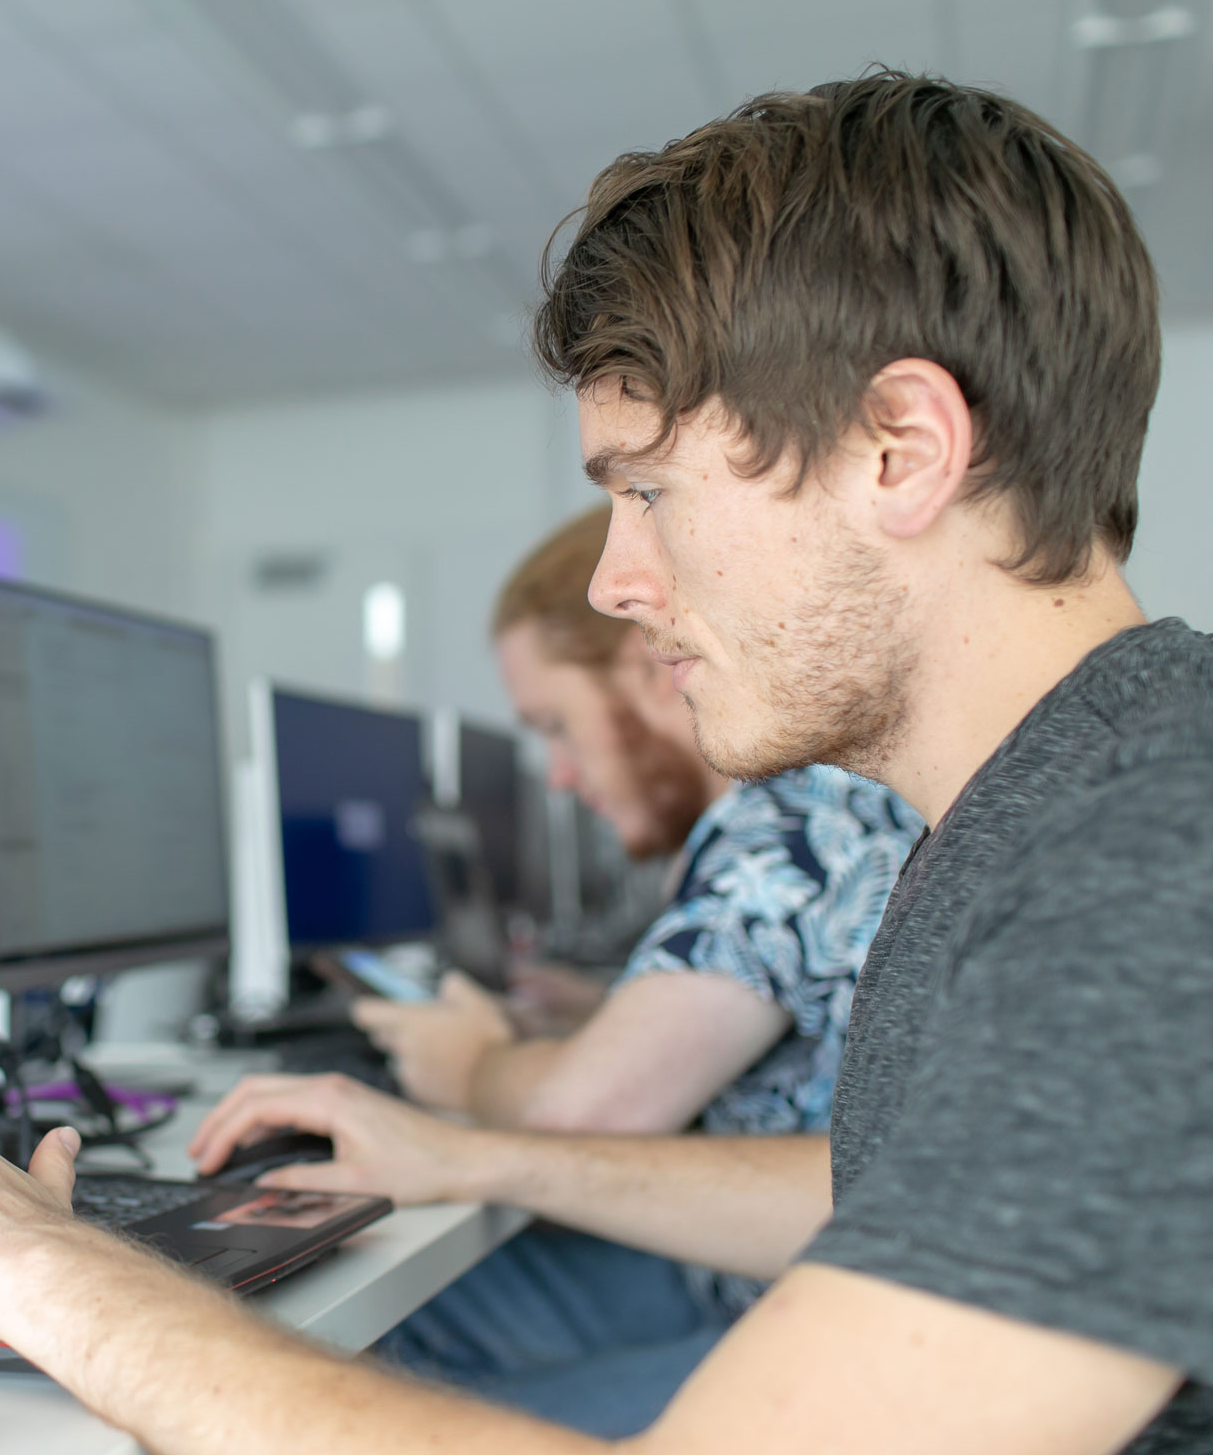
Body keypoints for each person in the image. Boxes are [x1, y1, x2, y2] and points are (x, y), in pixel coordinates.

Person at [0, 72, 1213, 1454]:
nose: (615, 581)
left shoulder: (1175, 848)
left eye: (648, 489)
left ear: (901, 450)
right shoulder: (1043, 809)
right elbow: (876, 1193)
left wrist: (45, 1270)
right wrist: (466, 1146)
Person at [351, 504, 920, 1432]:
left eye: (557, 725)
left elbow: (581, 1113)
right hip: (770, 1283)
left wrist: (471, 1062)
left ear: (647, 665)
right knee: (399, 1313)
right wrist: (601, 1016)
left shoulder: (784, 828)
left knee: (374, 1395)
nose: (561, 775)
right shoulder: (811, 808)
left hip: (825, 1335)